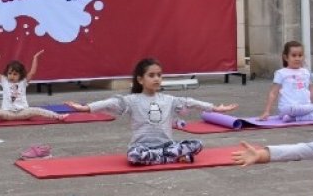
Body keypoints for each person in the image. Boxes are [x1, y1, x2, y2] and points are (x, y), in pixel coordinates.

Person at [65, 58, 238, 165]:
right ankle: (171, 158)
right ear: (140, 79)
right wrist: (87, 108)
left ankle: (163, 157)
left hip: (166, 146)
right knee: (133, 156)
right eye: (151, 75)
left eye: (159, 75)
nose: (156, 78)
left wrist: (214, 108)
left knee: (198, 144)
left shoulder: (168, 100)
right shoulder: (132, 101)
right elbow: (110, 103)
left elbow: (190, 103)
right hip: (142, 148)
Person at [0, 49, 65, 126]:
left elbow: (32, 72)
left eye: (15, 74)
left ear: (20, 75)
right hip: (7, 113)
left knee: (38, 110)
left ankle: (58, 116)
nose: (12, 76)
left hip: (23, 112)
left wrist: (35, 58)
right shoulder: (4, 80)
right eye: (10, 73)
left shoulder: (23, 81)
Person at [260, 40, 313, 122]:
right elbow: (273, 93)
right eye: (294, 56)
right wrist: (267, 111)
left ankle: (294, 118)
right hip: (289, 108)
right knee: (292, 109)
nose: (297, 58)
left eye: (300, 55)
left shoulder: (306, 72)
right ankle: (305, 112)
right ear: (286, 57)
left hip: (306, 107)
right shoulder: (281, 73)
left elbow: (312, 92)